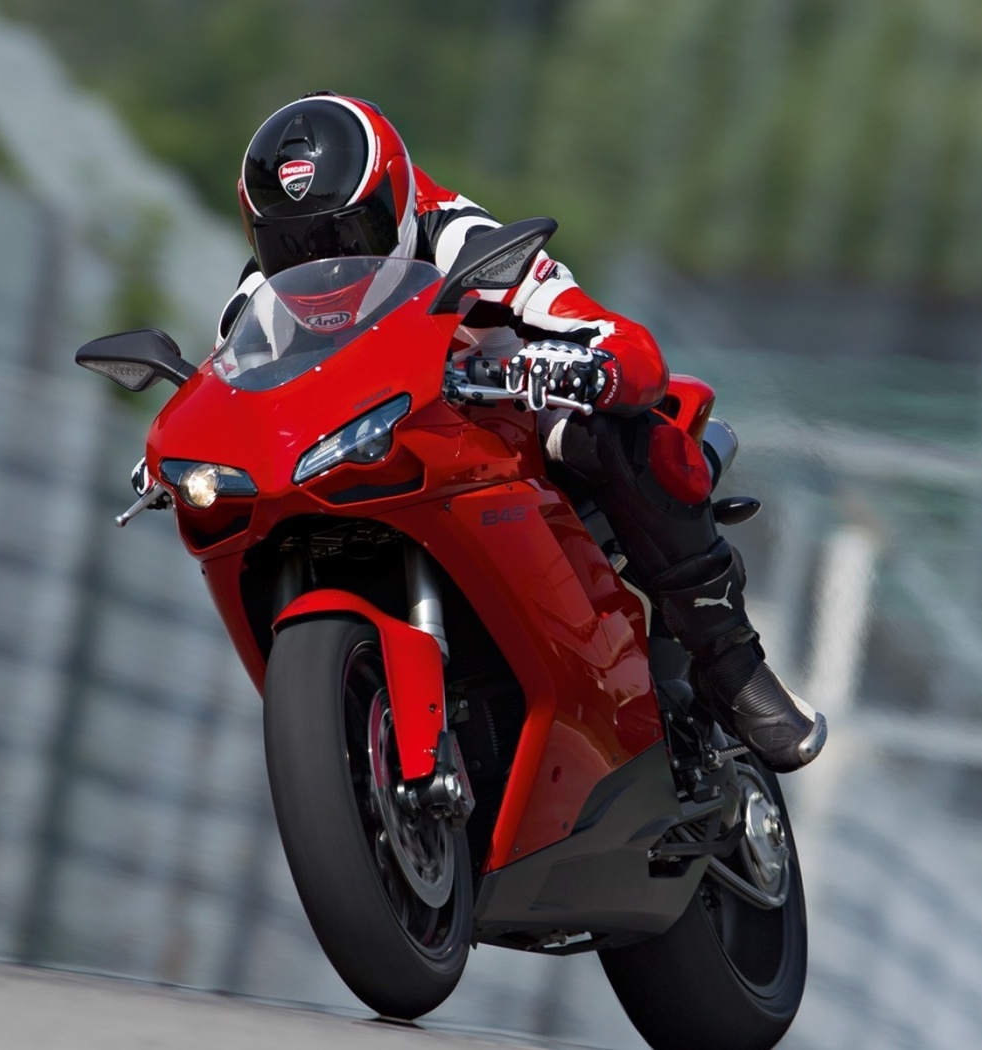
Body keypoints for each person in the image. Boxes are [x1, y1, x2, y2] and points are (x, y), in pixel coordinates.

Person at [199, 92, 826, 772]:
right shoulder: (260, 299)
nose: (323, 266)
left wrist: (590, 367)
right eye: (292, 248)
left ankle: (731, 664)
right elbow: (228, 391)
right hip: (372, 449)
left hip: (500, 420)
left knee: (616, 435)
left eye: (349, 238)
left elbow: (626, 344)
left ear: (397, 204)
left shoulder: (461, 237)